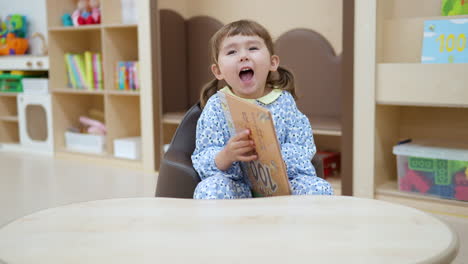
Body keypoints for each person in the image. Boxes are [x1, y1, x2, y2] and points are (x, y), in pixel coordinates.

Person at [191, 19, 333, 199]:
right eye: (232, 51)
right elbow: (203, 156)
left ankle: (298, 226)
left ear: (273, 63)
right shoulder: (217, 106)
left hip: (283, 187)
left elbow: (303, 146)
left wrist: (276, 157)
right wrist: (227, 155)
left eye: (253, 48)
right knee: (208, 190)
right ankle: (226, 227)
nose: (243, 56)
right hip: (236, 187)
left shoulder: (284, 102)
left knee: (320, 189)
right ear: (218, 71)